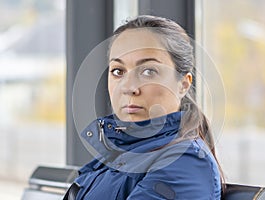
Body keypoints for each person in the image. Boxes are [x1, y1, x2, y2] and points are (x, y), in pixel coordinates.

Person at [64, 15, 224, 200]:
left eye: (148, 71)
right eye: (118, 71)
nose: (128, 87)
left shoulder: (185, 163)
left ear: (183, 84)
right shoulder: (117, 155)